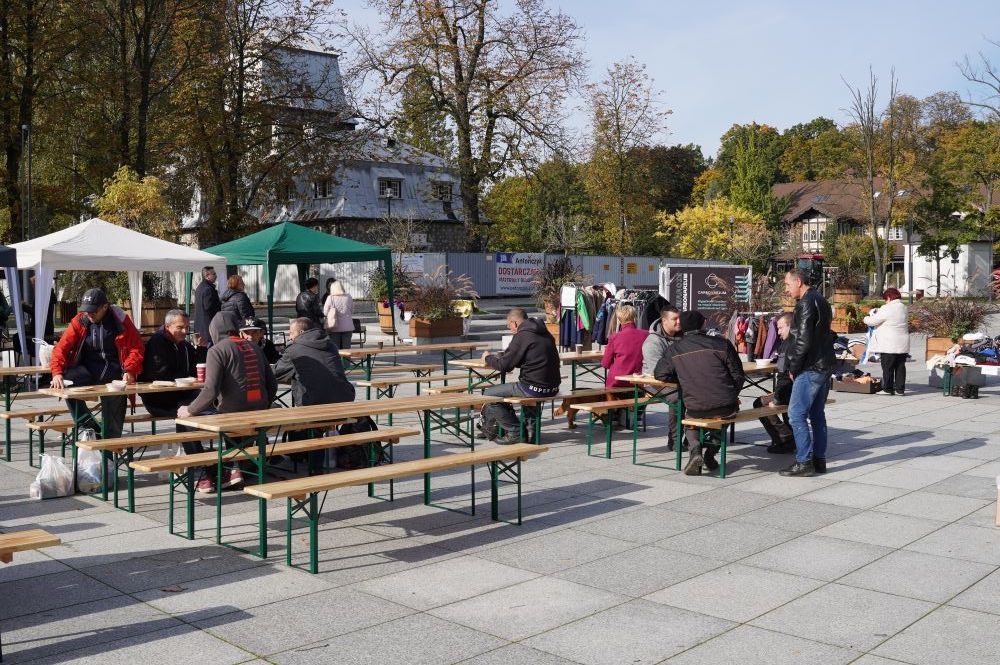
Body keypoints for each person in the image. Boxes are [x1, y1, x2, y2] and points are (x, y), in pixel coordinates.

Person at [179, 311, 278, 491]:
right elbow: (272, 384)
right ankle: (236, 468)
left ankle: (204, 474)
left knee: (184, 423)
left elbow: (210, 391)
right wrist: (265, 404)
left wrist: (190, 409)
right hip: (259, 412)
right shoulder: (254, 347)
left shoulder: (216, 350)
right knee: (239, 425)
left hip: (232, 413)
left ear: (214, 331)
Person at [654, 311, 744, 476]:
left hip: (695, 406)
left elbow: (659, 374)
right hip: (726, 406)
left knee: (690, 419)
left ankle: (695, 451)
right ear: (702, 325)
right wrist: (732, 393)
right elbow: (738, 375)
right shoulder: (722, 344)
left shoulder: (674, 349)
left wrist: (683, 377)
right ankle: (710, 454)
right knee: (722, 417)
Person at [50, 288, 144, 440]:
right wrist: (57, 373)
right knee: (66, 384)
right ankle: (91, 429)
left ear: (105, 307)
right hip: (87, 372)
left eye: (93, 311)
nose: (89, 315)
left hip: (115, 374)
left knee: (114, 409)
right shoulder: (80, 321)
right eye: (86, 311)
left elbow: (137, 348)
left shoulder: (121, 320)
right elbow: (61, 348)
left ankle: (109, 451)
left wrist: (130, 369)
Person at [273, 317, 356, 469]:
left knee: (304, 412)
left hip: (315, 403)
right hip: (345, 399)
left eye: (291, 333)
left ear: (301, 332)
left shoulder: (294, 349)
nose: (290, 336)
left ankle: (313, 466)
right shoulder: (330, 344)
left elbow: (276, 374)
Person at [780, 268, 836, 477]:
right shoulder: (820, 299)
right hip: (823, 364)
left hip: (811, 366)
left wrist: (793, 367)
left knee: (796, 415)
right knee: (817, 415)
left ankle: (804, 462)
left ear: (799, 282)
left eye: (787, 284)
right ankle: (818, 460)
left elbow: (802, 340)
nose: (786, 289)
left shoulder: (805, 303)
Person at [480, 308, 561, 445]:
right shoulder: (546, 332)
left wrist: (487, 358)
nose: (509, 328)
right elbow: (533, 359)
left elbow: (504, 366)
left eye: (508, 325)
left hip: (532, 387)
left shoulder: (522, 336)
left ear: (514, 323)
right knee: (516, 393)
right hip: (553, 387)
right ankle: (527, 431)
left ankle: (515, 431)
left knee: (488, 395)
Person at [641, 305, 684, 450]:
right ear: (664, 321)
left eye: (680, 318)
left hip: (677, 379)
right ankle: (674, 440)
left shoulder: (684, 336)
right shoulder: (653, 342)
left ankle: (697, 438)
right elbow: (657, 373)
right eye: (675, 319)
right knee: (677, 398)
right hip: (653, 382)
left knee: (701, 392)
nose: (679, 322)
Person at [601, 305, 649, 427]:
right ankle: (637, 414)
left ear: (619, 320)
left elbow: (605, 363)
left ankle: (613, 414)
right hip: (637, 380)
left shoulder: (614, 337)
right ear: (635, 318)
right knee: (643, 389)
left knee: (608, 387)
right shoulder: (646, 334)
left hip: (617, 381)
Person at [754, 312, 795, 454]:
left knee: (759, 403)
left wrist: (776, 398)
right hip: (799, 390)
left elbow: (784, 376)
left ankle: (785, 438)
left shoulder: (788, 345)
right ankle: (788, 436)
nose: (778, 332)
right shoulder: (801, 341)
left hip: (790, 392)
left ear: (790, 326)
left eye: (780, 328)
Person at [864, 287, 909, 396]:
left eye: (886, 299)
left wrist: (865, 318)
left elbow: (873, 321)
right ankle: (900, 390)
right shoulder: (904, 307)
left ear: (889, 297)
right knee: (900, 366)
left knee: (888, 367)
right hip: (902, 343)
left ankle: (888, 389)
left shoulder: (887, 308)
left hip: (889, 343)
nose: (885, 301)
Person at [323, 279, 355, 350]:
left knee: (335, 349)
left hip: (334, 327)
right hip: (348, 327)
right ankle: (346, 361)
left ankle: (337, 361)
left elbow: (325, 312)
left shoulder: (330, 298)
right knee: (347, 349)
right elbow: (352, 311)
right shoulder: (349, 297)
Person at [195, 266, 221, 350]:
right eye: (214, 274)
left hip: (201, 327)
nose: (216, 276)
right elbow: (208, 308)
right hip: (208, 327)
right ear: (207, 275)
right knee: (210, 352)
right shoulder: (208, 289)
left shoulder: (200, 287)